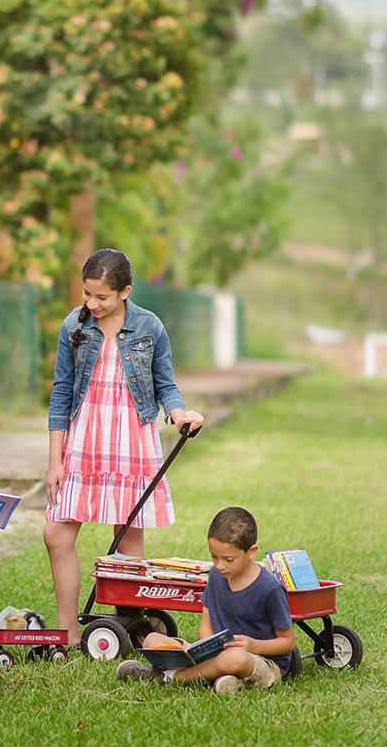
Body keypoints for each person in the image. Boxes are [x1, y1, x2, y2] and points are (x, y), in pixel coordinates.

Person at [44, 249, 204, 646]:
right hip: (84, 439)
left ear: (125, 292)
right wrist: (54, 461)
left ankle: (127, 627)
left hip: (132, 437)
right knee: (56, 535)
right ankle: (65, 633)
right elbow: (61, 393)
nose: (92, 304)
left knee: (128, 539)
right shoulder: (73, 326)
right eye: (87, 294)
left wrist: (180, 413)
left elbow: (165, 383)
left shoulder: (149, 326)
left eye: (102, 297)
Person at [117, 506, 296, 693]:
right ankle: (216, 678)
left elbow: (288, 642)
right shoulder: (216, 575)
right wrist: (207, 647)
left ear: (251, 552)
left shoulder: (269, 588)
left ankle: (171, 678)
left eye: (228, 559)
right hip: (216, 655)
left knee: (235, 659)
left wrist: (253, 645)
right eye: (214, 557)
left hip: (259, 660)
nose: (219, 565)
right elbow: (206, 625)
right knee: (151, 640)